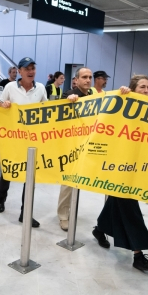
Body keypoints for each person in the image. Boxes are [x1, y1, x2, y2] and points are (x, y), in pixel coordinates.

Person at [91, 75, 148, 272]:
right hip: (119, 168)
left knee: (116, 202)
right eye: (142, 87)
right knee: (130, 210)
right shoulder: (124, 103)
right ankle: (138, 255)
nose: (146, 91)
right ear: (132, 89)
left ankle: (99, 229)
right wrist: (122, 96)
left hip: (136, 168)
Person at [0, 58, 50, 227]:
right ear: (19, 71)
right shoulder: (10, 87)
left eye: (33, 68)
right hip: (13, 139)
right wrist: (3, 105)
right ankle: (0, 200)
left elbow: (47, 109)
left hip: (32, 140)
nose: (31, 71)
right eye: (27, 68)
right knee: (8, 172)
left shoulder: (40, 88)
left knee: (30, 178)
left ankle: (24, 213)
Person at [56, 67, 93, 230]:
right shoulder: (68, 94)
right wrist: (68, 100)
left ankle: (71, 209)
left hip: (87, 144)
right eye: (84, 77)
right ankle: (63, 215)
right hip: (71, 145)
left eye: (90, 77)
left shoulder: (92, 96)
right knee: (68, 182)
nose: (88, 80)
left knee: (78, 181)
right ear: (76, 80)